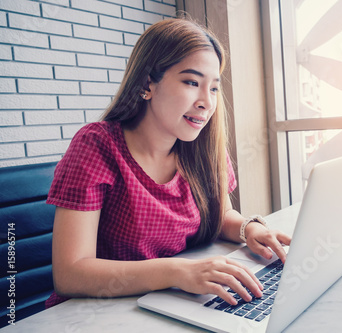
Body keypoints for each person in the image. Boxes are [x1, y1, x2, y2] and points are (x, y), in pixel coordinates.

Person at [45, 18, 291, 308]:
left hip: (173, 301)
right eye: (191, 82)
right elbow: (70, 273)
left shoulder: (203, 145)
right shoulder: (97, 145)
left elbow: (222, 214)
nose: (207, 102)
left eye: (213, 88)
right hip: (98, 313)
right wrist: (177, 272)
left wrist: (250, 229)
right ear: (146, 83)